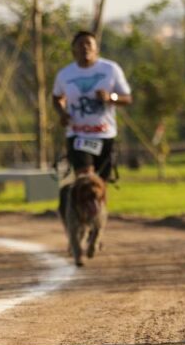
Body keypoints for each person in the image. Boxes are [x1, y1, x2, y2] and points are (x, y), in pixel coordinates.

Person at [51, 30, 132, 210]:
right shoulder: (65, 74)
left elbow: (127, 98)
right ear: (73, 50)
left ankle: (98, 223)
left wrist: (111, 98)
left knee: (100, 184)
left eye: (89, 44)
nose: (85, 48)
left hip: (104, 134)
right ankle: (82, 218)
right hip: (78, 135)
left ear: (97, 49)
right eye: (80, 45)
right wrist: (62, 113)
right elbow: (56, 98)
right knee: (85, 178)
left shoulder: (110, 69)